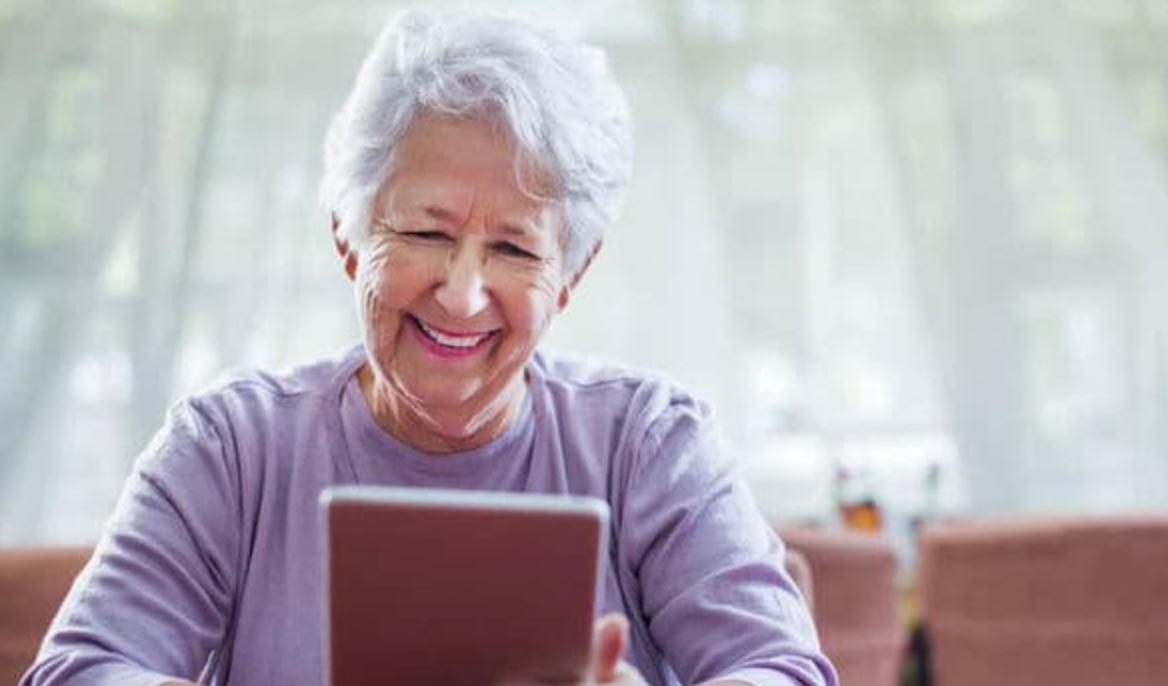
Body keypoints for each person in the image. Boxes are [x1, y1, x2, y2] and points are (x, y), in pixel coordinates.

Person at [23, 10, 837, 686]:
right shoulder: (232, 450)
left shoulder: (652, 443)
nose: (462, 292)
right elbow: (83, 669)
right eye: (425, 232)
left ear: (570, 275)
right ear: (348, 235)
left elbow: (779, 668)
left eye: (515, 251)